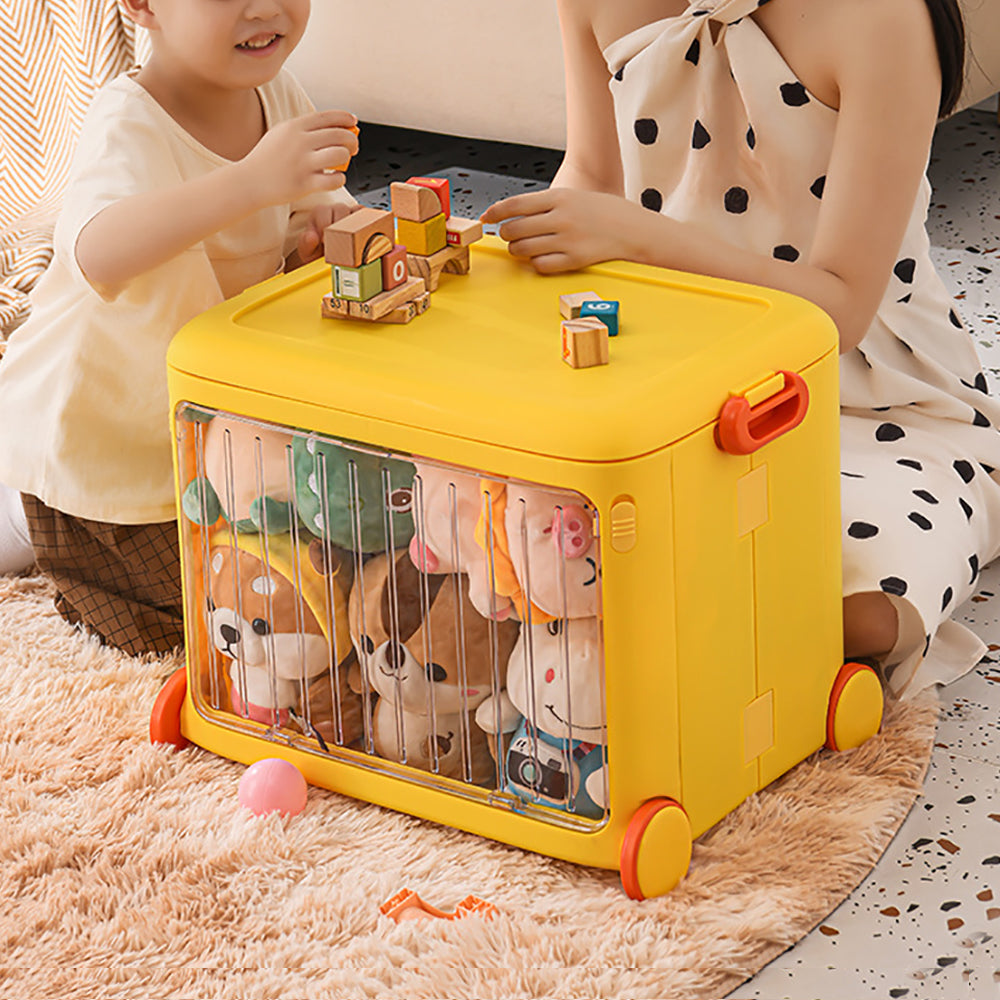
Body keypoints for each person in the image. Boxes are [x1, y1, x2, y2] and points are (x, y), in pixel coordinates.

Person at [482, 0, 1000, 697]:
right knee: (486, 527)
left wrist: (636, 236)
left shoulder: (883, 19)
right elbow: (592, 177)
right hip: (671, 378)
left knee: (864, 607)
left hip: (870, 404)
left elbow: (840, 309)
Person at [0, 0, 359, 655]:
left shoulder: (275, 94)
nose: (266, 8)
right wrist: (250, 182)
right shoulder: (130, 118)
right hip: (99, 436)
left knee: (301, 578)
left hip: (197, 424)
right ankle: (23, 505)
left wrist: (321, 231)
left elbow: (316, 206)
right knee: (200, 620)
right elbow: (94, 250)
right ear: (140, 6)